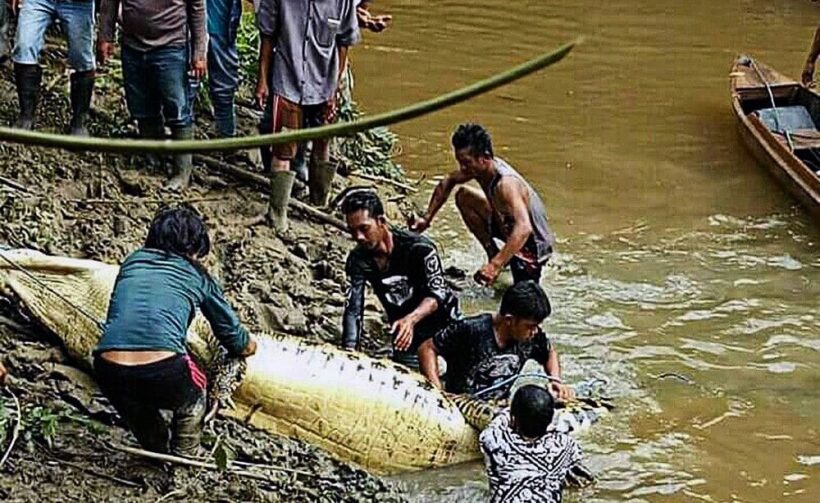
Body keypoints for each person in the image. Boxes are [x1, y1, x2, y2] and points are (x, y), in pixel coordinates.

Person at [93, 206, 256, 456]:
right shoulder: (199, 276)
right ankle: (185, 454)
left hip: (107, 367)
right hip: (164, 368)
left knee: (136, 407)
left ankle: (155, 447)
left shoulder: (132, 261)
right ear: (195, 247)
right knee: (194, 398)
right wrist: (249, 347)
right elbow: (234, 338)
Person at [255, 0, 360, 230]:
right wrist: (262, 79)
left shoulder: (342, 3)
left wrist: (335, 88)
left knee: (323, 143)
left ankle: (318, 204)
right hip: (287, 80)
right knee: (283, 147)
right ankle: (277, 213)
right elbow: (267, 35)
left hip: (325, 83)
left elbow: (344, 44)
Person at [408, 123, 555, 286]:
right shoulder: (479, 169)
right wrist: (427, 219)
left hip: (532, 245)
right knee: (464, 196)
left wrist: (495, 266)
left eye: (466, 162)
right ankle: (492, 253)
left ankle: (499, 262)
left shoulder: (506, 184)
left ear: (484, 157)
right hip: (507, 225)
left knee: (519, 297)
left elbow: (524, 228)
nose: (462, 168)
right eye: (459, 162)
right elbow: (448, 181)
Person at [340, 190, 459, 368]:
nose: (359, 237)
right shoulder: (358, 260)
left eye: (364, 229)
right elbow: (353, 308)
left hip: (445, 327)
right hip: (405, 337)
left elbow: (437, 294)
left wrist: (411, 319)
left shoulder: (420, 248)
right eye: (352, 231)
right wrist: (349, 350)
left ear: (381, 221)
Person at [98, 0, 207, 190]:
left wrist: (199, 53)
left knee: (178, 109)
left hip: (172, 45)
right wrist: (105, 36)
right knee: (142, 106)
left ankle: (182, 171)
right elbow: (110, 3)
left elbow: (197, 8)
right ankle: (153, 161)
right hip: (133, 44)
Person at [418, 280, 573, 401]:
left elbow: (549, 352)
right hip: (460, 401)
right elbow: (427, 348)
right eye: (531, 326)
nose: (535, 331)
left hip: (497, 404)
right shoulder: (471, 329)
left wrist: (555, 380)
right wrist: (437, 391)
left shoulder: (532, 336)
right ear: (509, 320)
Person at [480, 363, 586, 503]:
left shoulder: (494, 440)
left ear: (513, 418)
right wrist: (547, 405)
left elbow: (500, 419)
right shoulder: (567, 446)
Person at [10, 0, 95, 134]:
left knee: (82, 58)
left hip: (78, 5)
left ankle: (79, 121)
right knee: (24, 46)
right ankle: (26, 115)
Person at [206, 0, 242, 138]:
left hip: (222, 30)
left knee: (225, 92)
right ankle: (184, 151)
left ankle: (227, 142)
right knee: (186, 91)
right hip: (189, 32)